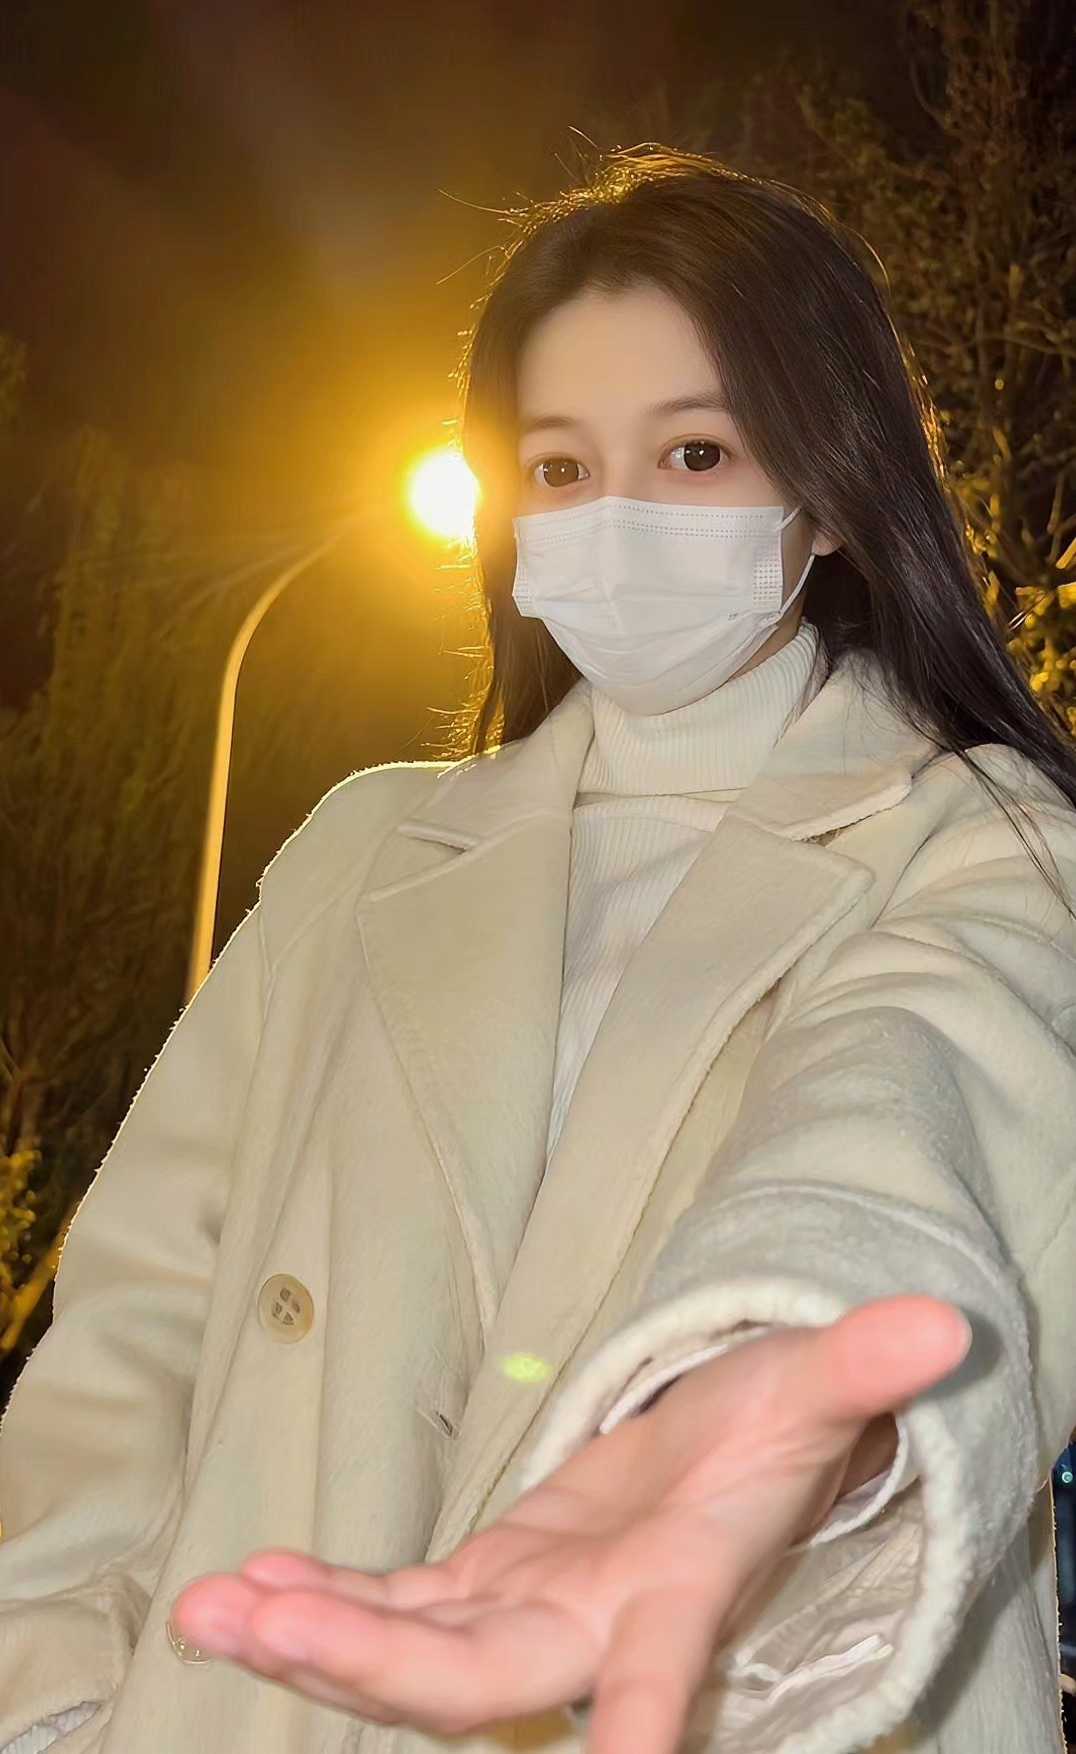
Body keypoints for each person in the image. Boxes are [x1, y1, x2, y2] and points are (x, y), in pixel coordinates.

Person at [1, 149, 1075, 1754]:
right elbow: (135, 1328)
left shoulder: (990, 841)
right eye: (559, 466)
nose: (616, 519)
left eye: (696, 451)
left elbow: (916, 1102)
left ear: (834, 489)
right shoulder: (362, 849)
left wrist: (770, 1359)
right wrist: (55, 1706)